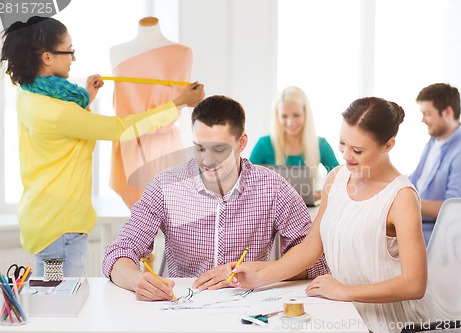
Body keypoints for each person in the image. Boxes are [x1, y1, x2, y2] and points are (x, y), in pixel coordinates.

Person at [0, 16, 204, 277]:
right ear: (47, 57)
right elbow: (119, 129)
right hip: (60, 228)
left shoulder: (28, 94)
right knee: (64, 301)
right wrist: (175, 104)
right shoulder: (57, 112)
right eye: (69, 51)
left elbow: (66, 129)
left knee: (53, 299)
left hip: (42, 218)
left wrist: (87, 97)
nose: (73, 58)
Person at [102, 95, 328, 301]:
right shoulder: (165, 186)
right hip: (182, 305)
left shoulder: (274, 188)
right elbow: (119, 252)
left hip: (248, 306)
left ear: (241, 142)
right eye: (200, 148)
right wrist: (136, 280)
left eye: (219, 149)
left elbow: (315, 262)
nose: (207, 161)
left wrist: (257, 271)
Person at [233, 97, 429, 333]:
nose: (346, 156)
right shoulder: (336, 178)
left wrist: (346, 292)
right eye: (342, 144)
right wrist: (260, 278)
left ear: (388, 145)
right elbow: (310, 249)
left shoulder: (401, 197)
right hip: (340, 308)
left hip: (384, 321)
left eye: (357, 150)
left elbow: (415, 284)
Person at [109, 16, 195, 209]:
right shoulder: (115, 51)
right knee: (141, 220)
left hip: (164, 143)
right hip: (129, 139)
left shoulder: (183, 53)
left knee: (169, 217)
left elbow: (180, 101)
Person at [409, 83, 461, 244]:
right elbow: (416, 181)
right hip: (417, 228)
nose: (423, 120)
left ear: (447, 112)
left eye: (427, 114)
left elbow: (455, 209)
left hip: (437, 240)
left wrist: (409, 202)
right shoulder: (433, 142)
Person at [250, 86, 338, 200]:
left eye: (296, 115)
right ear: (277, 117)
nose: (291, 122)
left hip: (308, 211)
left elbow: (340, 178)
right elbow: (246, 182)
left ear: (306, 114)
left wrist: (322, 193)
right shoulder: (264, 144)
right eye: (284, 116)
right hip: (270, 212)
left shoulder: (321, 145)